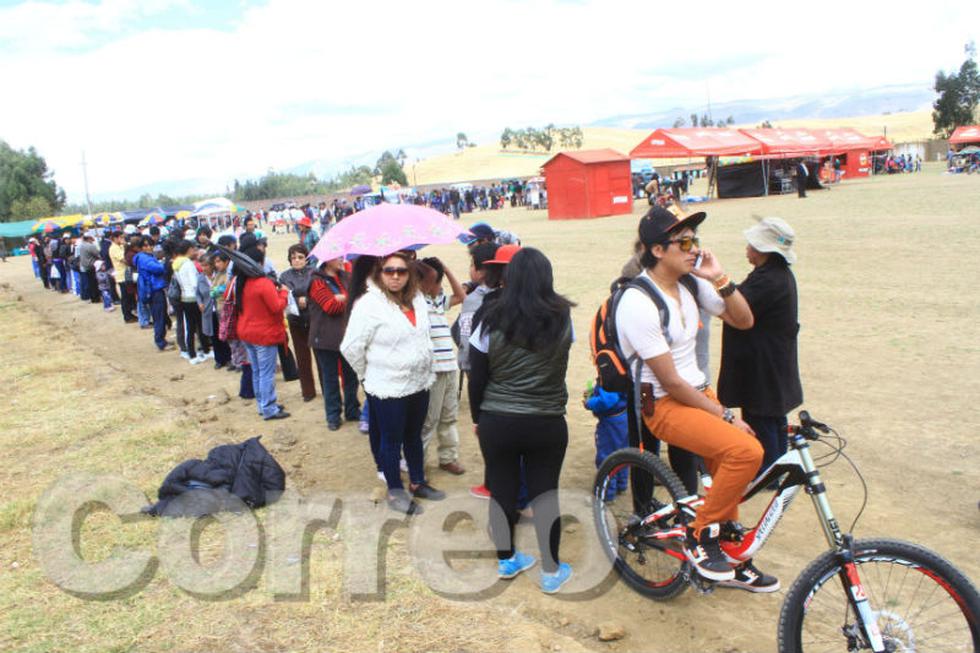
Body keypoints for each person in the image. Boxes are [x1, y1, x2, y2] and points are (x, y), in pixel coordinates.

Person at [614, 205, 776, 591]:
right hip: (666, 404)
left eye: (695, 240)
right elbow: (670, 382)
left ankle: (731, 553)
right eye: (683, 242)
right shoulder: (638, 301)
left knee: (729, 462)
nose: (693, 249)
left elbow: (744, 319)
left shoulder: (691, 282)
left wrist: (719, 277)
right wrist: (724, 415)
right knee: (746, 451)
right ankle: (702, 536)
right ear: (656, 250)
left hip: (699, 392)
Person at [467, 247, 575, 593]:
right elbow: (559, 367)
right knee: (546, 494)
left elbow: (477, 375)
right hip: (547, 419)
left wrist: (477, 417)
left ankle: (507, 559)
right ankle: (551, 570)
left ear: (508, 277)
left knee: (502, 490)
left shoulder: (488, 317)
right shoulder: (563, 317)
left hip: (498, 419)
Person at [341, 252, 444, 515]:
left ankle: (418, 482)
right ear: (379, 273)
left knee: (414, 435)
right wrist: (367, 375)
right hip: (387, 387)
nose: (395, 276)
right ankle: (395, 491)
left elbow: (424, 335)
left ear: (409, 273)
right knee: (391, 440)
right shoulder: (368, 305)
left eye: (401, 270)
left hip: (419, 383)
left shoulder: (418, 299)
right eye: (389, 271)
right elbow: (351, 347)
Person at [718, 217, 803, 482]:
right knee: (774, 418)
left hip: (762, 364)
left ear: (763, 250)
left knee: (762, 418)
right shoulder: (777, 275)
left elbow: (738, 305)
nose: (747, 249)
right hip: (771, 361)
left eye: (751, 244)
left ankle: (766, 473)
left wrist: (718, 284)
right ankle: (776, 466)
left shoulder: (769, 280)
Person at [418, 257, 467, 475]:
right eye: (437, 282)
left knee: (449, 416)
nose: (440, 287)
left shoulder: (438, 300)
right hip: (433, 371)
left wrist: (446, 269)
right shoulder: (417, 302)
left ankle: (448, 458)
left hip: (450, 367)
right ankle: (418, 461)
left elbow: (461, 296)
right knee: (430, 420)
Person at [235, 246, 290, 420]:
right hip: (263, 334)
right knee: (266, 372)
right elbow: (276, 307)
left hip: (247, 332)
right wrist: (283, 293)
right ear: (259, 262)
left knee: (257, 371)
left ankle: (263, 404)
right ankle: (268, 407)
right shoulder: (262, 283)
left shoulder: (241, 282)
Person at [308, 255, 361, 430]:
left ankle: (352, 409)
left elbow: (360, 297)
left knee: (351, 376)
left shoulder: (346, 276)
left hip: (347, 335)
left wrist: (342, 297)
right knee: (330, 378)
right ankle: (333, 416)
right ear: (327, 258)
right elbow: (330, 307)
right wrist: (349, 298)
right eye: (337, 256)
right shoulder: (316, 281)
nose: (341, 259)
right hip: (324, 337)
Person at [279, 244, 319, 403]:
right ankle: (308, 391)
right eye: (293, 258)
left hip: (314, 319)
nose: (297, 261)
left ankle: (326, 388)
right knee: (302, 358)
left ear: (306, 258)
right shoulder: (284, 276)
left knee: (321, 357)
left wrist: (307, 300)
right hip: (295, 320)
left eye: (300, 257)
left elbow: (320, 293)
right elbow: (283, 297)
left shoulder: (314, 273)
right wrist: (296, 300)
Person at [585, 383, 628, 501]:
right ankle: (621, 484)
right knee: (623, 454)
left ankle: (606, 494)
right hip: (624, 417)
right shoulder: (621, 372)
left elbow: (607, 400)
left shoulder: (609, 376)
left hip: (611, 422)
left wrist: (589, 402)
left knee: (606, 457)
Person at [173, 240, 209, 364]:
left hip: (184, 297)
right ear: (188, 250)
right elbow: (195, 284)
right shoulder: (188, 264)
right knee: (199, 325)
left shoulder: (177, 263)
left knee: (190, 326)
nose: (195, 251)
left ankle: (192, 354)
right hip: (193, 298)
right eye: (193, 249)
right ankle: (205, 351)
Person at [134, 237, 171, 351]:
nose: (149, 247)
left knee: (160, 314)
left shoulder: (145, 257)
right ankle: (160, 342)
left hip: (154, 288)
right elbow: (158, 269)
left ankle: (161, 338)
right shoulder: (144, 259)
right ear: (141, 247)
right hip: (153, 290)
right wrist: (167, 264)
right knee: (158, 315)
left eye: (150, 245)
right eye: (145, 245)